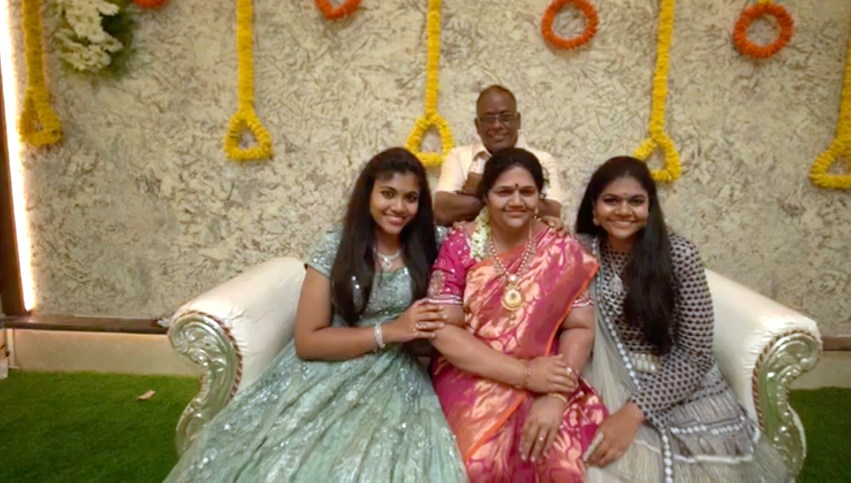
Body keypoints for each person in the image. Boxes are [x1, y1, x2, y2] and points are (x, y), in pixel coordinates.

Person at [166, 148, 466, 482]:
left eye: (410, 197)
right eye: (388, 194)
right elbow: (308, 341)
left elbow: (483, 245)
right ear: (368, 194)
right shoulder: (337, 244)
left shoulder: (434, 242)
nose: (398, 207)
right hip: (326, 367)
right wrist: (391, 331)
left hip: (396, 372)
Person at [575, 157, 789, 482]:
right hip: (602, 373)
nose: (623, 210)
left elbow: (695, 354)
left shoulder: (679, 256)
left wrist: (634, 412)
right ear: (594, 208)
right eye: (611, 200)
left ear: (650, 208)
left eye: (636, 201)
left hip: (673, 379)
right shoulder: (581, 249)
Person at [427, 147, 607, 481]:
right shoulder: (461, 245)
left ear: (540, 197)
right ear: (485, 196)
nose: (516, 201)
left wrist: (555, 395)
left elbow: (579, 328)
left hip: (547, 372)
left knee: (559, 463)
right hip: (472, 371)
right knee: (479, 464)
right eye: (504, 192)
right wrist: (524, 374)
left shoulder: (560, 247)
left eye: (527, 192)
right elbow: (442, 330)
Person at [434, 85, 564, 225]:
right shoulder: (458, 156)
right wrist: (519, 201)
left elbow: (552, 212)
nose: (497, 125)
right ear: (477, 125)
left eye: (505, 117)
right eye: (489, 119)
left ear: (518, 120)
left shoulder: (542, 160)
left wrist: (481, 187)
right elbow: (442, 211)